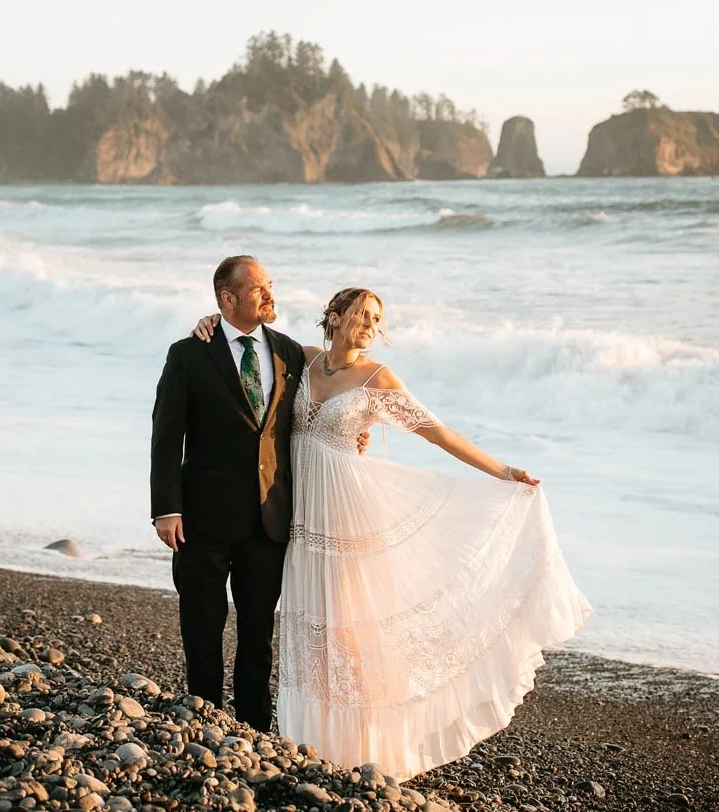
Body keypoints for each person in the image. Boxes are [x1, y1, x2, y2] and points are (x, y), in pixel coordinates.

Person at [191, 287, 590, 779]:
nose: (369, 324)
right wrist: (213, 321)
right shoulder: (304, 360)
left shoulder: (378, 378)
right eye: (361, 313)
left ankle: (363, 748)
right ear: (334, 317)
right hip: (302, 520)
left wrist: (503, 471)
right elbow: (247, 343)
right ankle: (310, 740)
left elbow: (437, 432)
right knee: (310, 626)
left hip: (347, 517)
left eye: (376, 319)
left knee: (348, 630)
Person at [149, 254, 306, 732]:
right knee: (203, 624)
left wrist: (356, 431)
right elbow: (165, 434)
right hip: (202, 518)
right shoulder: (189, 353)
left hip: (268, 518)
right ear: (228, 298)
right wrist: (165, 509)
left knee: (258, 630)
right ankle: (205, 717)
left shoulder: (290, 352)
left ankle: (254, 725)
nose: (269, 293)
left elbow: (315, 405)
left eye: (270, 284)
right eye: (258, 287)